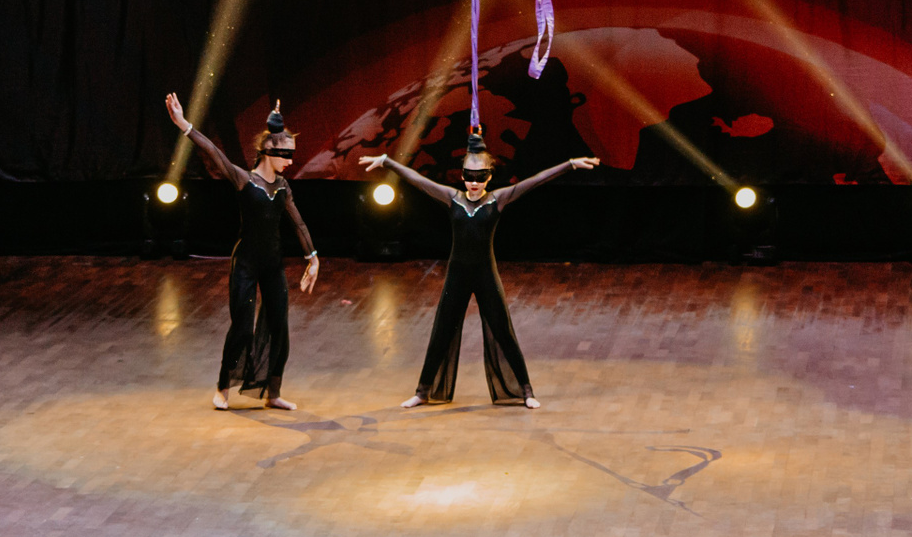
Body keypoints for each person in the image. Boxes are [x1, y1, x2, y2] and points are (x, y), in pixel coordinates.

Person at [360, 128, 598, 409]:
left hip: (485, 275)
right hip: (457, 275)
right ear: (462, 175)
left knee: (503, 332)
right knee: (441, 333)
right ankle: (423, 392)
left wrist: (570, 164)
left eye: (480, 177)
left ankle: (526, 391)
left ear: (489, 177)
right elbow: (417, 180)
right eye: (469, 177)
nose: (474, 183)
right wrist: (387, 161)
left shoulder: (498, 199)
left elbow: (536, 180)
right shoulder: (452, 198)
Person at [166, 92, 318, 411]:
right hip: (246, 264)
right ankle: (223, 387)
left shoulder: (283, 187)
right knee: (243, 328)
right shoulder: (245, 180)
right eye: (286, 155)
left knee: (279, 327)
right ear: (268, 151)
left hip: (272, 264)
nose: (290, 161)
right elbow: (213, 152)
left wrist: (312, 258)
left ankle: (273, 392)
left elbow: (299, 223)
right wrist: (184, 125)